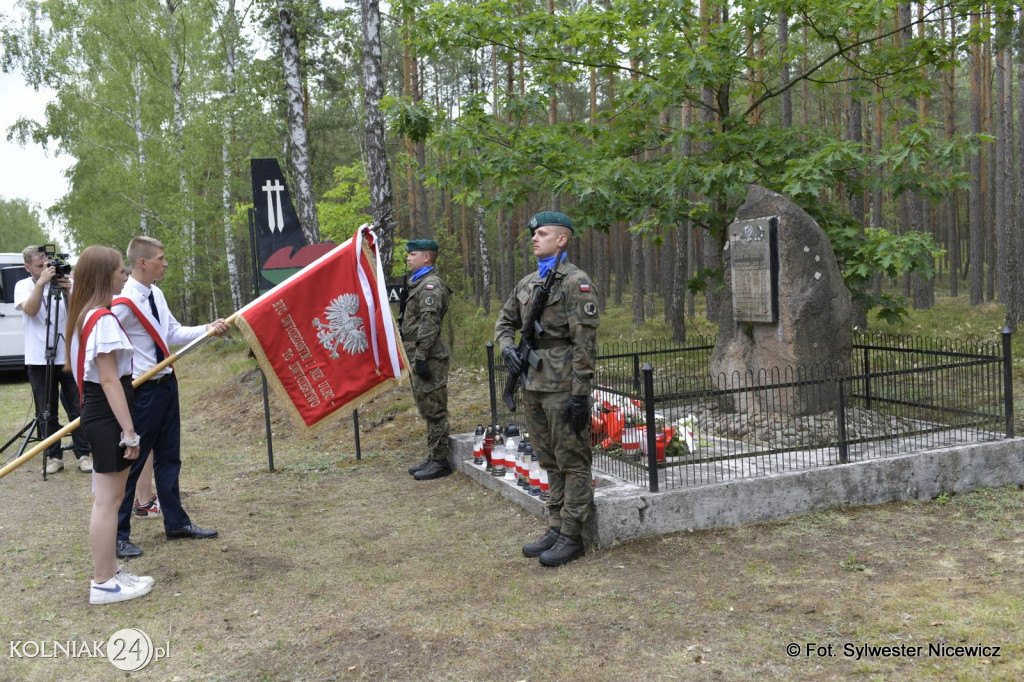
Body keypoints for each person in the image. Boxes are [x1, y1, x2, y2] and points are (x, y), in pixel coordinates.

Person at [112, 236, 230, 559]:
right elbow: (104, 341)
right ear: (143, 263)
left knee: (170, 457)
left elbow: (173, 333)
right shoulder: (123, 305)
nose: (165, 263)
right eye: (161, 259)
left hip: (167, 385)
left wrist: (208, 329)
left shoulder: (157, 294)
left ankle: (176, 523)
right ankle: (118, 535)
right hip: (143, 391)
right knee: (133, 464)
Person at [494, 211, 601, 567]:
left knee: (572, 461)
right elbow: (504, 322)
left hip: (563, 385)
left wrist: (579, 394)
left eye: (541, 233)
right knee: (549, 460)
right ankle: (555, 525)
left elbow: (585, 343)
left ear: (562, 239)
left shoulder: (576, 282)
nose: (534, 239)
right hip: (533, 383)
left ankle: (573, 535)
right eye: (533, 235)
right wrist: (508, 348)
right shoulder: (527, 284)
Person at [65, 245, 153, 604]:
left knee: (108, 499)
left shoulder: (86, 315)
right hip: (106, 415)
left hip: (99, 415)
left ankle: (109, 572)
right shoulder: (100, 319)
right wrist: (129, 432)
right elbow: (109, 380)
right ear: (105, 276)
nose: (125, 275)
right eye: (120, 270)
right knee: (108, 501)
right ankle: (103, 582)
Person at [15, 245, 93, 473]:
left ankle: (83, 454)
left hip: (68, 356)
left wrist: (69, 291)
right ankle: (53, 456)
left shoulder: (67, 282)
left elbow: (79, 313)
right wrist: (41, 283)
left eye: (47, 264)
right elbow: (30, 310)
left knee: (77, 408)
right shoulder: (23, 285)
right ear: (27, 267)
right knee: (46, 410)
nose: (46, 270)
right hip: (39, 359)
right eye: (40, 267)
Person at [400, 239, 453, 481]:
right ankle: (433, 455)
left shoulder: (431, 286)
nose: (408, 258)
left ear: (427, 258)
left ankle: (441, 461)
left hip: (428, 355)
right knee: (426, 406)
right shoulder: (417, 283)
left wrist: (421, 357)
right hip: (417, 352)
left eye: (413, 254)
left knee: (435, 409)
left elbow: (430, 324)